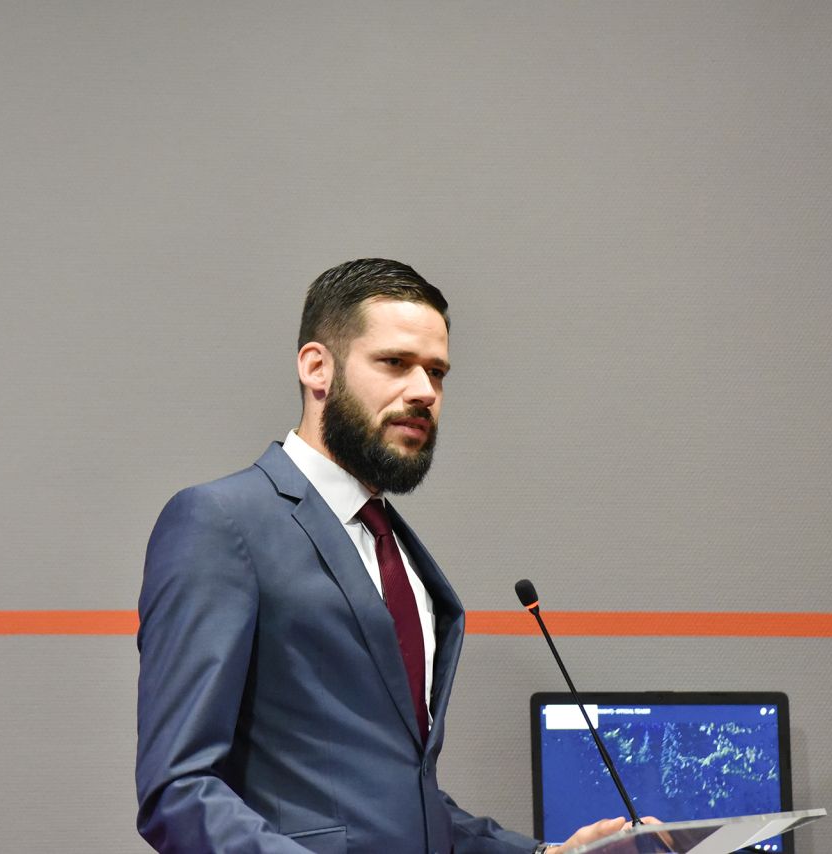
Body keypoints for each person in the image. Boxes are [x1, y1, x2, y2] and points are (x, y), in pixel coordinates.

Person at [136, 259, 632, 853]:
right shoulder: (219, 522)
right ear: (317, 368)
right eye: (395, 363)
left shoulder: (398, 551)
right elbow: (179, 790)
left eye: (437, 372)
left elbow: (407, 808)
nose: (424, 391)